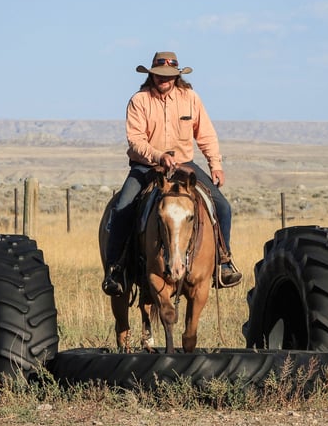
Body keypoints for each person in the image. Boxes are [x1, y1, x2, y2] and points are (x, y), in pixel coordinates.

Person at [102, 51, 242, 297]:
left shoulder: (190, 98)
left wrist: (215, 164)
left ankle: (223, 261)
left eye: (168, 76)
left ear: (177, 76)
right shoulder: (139, 100)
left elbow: (205, 134)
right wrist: (158, 156)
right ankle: (116, 269)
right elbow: (135, 140)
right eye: (158, 75)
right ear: (151, 75)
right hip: (146, 166)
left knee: (222, 206)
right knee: (122, 207)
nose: (163, 80)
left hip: (184, 164)